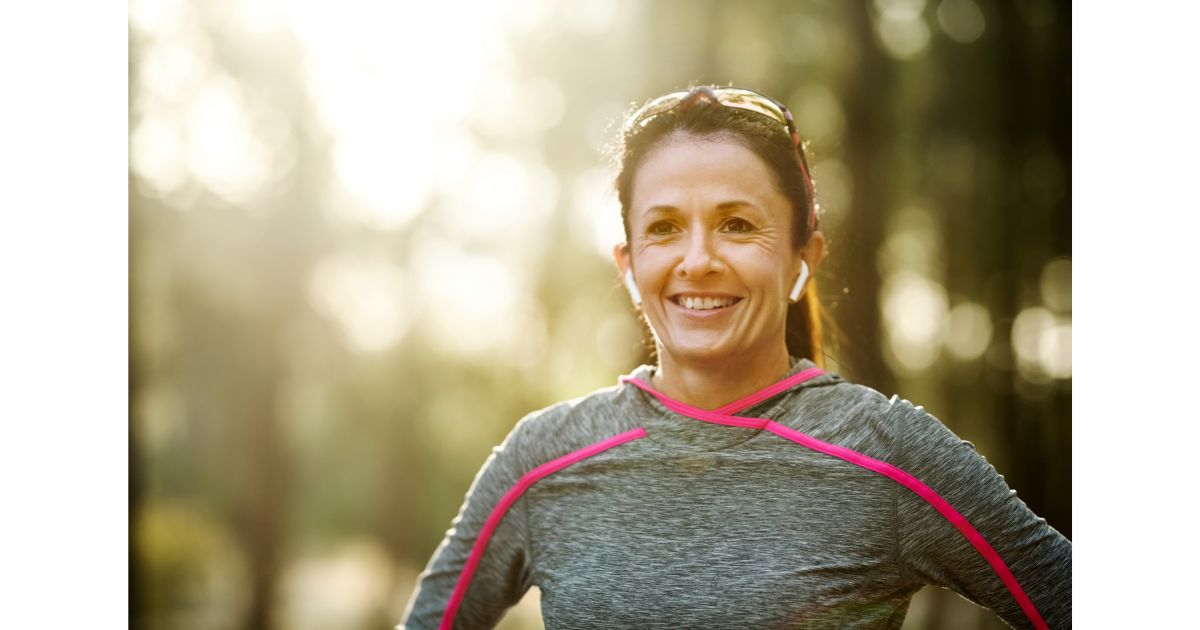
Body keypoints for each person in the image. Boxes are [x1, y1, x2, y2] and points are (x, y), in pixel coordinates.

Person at [399, 85, 1071, 629]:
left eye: (737, 224)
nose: (698, 260)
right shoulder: (541, 459)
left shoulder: (887, 453)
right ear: (630, 266)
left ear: (803, 258)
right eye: (664, 228)